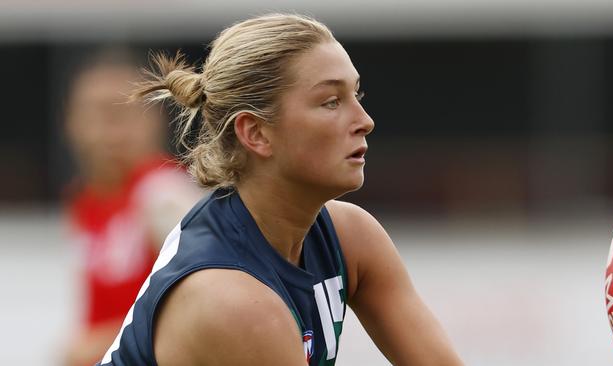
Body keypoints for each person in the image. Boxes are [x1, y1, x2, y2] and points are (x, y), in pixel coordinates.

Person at [99, 14, 464, 366]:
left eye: (357, 95)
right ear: (255, 133)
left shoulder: (352, 237)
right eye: (331, 102)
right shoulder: (230, 301)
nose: (365, 121)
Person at [61, 49, 202, 366]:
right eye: (98, 113)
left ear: (155, 119)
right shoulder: (85, 199)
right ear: (71, 122)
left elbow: (203, 306)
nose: (111, 130)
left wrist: (100, 341)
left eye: (124, 112)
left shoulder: (164, 193)